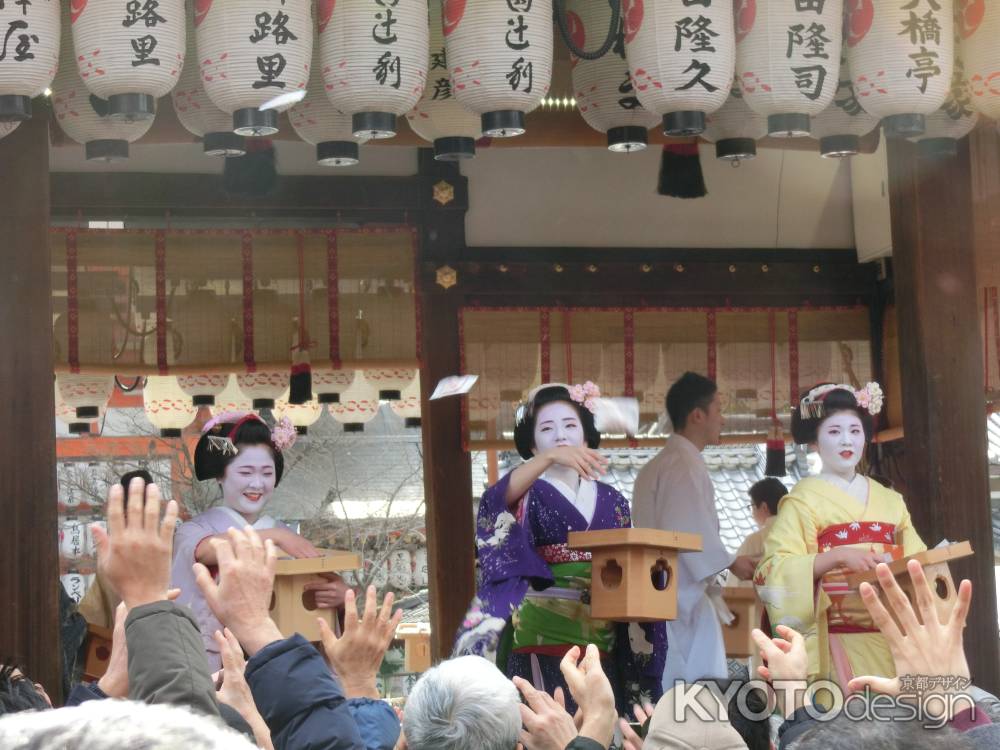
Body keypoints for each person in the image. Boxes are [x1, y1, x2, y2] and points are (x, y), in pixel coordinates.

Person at [454, 382, 665, 713]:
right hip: (540, 643)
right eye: (546, 429)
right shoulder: (525, 494)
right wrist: (550, 458)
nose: (560, 436)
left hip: (601, 647)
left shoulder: (613, 500)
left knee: (601, 726)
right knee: (548, 725)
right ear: (533, 444)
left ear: (586, 436)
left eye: (569, 425)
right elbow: (494, 507)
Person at [755, 383, 926, 690]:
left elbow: (919, 564)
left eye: (855, 431)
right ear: (814, 441)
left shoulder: (891, 501)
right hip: (835, 645)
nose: (847, 440)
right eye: (834, 431)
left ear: (865, 437)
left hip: (894, 643)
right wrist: (836, 557)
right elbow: (771, 571)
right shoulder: (802, 500)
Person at [170, 412, 349, 670]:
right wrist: (276, 537)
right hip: (219, 668)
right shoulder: (195, 531)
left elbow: (314, 599)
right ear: (220, 475)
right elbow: (208, 551)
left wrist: (340, 600)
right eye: (245, 472)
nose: (257, 483)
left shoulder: (287, 536)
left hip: (280, 669)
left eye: (267, 473)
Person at [632, 372, 757, 687]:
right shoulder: (682, 464)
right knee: (694, 689)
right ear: (697, 415)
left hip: (662, 590)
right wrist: (730, 561)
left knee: (673, 683)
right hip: (680, 595)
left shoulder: (657, 465)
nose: (723, 420)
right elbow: (684, 528)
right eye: (719, 410)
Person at [726, 477, 787, 590]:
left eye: (752, 506)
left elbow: (734, 589)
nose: (752, 513)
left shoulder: (754, 541)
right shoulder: (801, 535)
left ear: (764, 507)